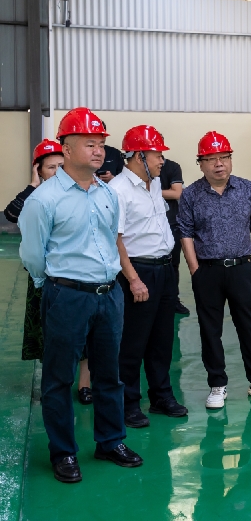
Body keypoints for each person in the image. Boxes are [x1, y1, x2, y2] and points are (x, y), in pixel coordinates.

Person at [19, 107, 142, 483]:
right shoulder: (44, 199)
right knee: (59, 378)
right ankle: (64, 452)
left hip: (109, 294)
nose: (98, 150)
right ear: (67, 149)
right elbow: (33, 254)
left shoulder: (107, 194)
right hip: (67, 295)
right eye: (89, 143)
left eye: (101, 143)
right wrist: (51, 288)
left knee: (109, 374)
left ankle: (110, 441)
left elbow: (111, 241)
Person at [178, 131, 251, 409]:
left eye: (224, 157)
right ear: (201, 163)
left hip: (241, 268)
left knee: (249, 325)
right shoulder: (191, 194)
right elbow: (185, 232)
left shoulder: (246, 188)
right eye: (211, 159)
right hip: (208, 270)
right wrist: (195, 269)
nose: (219, 164)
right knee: (210, 329)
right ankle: (217, 384)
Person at [110, 125, 188, 428]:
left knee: (161, 339)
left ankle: (161, 396)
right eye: (157, 155)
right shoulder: (118, 190)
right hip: (138, 272)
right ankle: (128, 403)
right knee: (133, 342)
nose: (162, 161)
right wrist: (133, 279)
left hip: (164, 269)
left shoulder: (153, 184)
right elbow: (115, 240)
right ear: (138, 156)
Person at [6, 140, 93, 404]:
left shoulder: (80, 191)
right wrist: (32, 185)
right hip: (42, 277)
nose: (56, 171)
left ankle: (85, 385)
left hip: (76, 275)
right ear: (39, 171)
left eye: (60, 166)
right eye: (50, 167)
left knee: (85, 331)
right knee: (48, 334)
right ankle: (54, 383)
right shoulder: (37, 198)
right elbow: (11, 213)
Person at [158, 147, 188, 315]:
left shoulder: (172, 167)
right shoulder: (133, 170)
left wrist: (148, 191)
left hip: (171, 223)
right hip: (147, 226)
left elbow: (177, 193)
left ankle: (173, 300)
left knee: (173, 265)